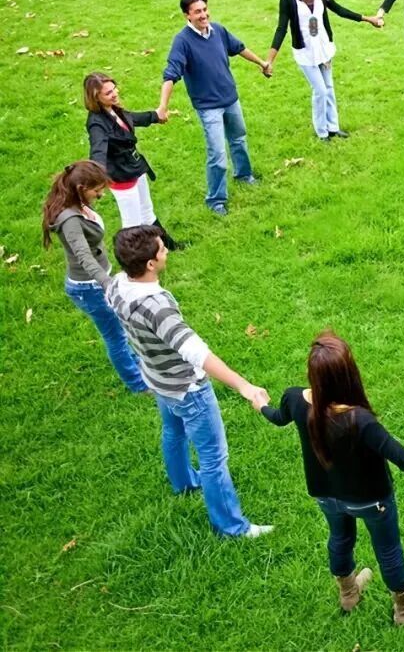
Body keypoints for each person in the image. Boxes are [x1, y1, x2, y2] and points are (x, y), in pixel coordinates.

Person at [261, 331, 404, 619]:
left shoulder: (294, 398)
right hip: (371, 501)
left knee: (339, 539)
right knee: (388, 550)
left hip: (326, 496)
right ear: (347, 375)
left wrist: (261, 403)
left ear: (313, 374)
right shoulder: (360, 420)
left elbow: (278, 417)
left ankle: (348, 594)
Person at [105, 224, 273, 538]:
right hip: (187, 389)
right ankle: (232, 527)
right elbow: (196, 352)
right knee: (213, 458)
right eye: (162, 249)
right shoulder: (157, 307)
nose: (166, 250)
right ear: (151, 264)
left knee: (173, 431)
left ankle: (183, 482)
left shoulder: (116, 284)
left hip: (157, 379)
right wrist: (244, 386)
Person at [159, 0, 272, 215]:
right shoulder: (182, 41)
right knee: (218, 154)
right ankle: (216, 200)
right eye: (197, 12)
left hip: (230, 99)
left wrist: (261, 63)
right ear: (187, 16)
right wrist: (163, 106)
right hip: (208, 107)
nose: (203, 15)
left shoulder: (218, 30)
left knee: (239, 139)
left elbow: (239, 48)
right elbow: (171, 73)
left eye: (205, 9)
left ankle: (244, 175)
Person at [42, 161, 147, 394]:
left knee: (120, 329)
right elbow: (84, 256)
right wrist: (107, 283)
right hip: (89, 288)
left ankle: (137, 365)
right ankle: (138, 384)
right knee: (116, 337)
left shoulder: (77, 203)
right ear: (81, 188)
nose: (101, 195)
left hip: (97, 282)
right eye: (97, 190)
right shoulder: (70, 221)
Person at [267, 0, 380, 141]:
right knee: (320, 91)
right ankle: (322, 132)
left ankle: (333, 127)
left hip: (323, 48)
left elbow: (339, 10)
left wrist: (368, 19)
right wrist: (270, 60)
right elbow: (281, 28)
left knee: (329, 87)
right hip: (305, 53)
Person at [83, 73, 181, 248]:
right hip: (121, 176)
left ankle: (168, 246)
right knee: (132, 226)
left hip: (135, 167)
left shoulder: (113, 109)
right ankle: (133, 260)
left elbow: (132, 118)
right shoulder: (96, 124)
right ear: (95, 97)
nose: (115, 93)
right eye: (108, 93)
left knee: (147, 212)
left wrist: (156, 116)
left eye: (114, 88)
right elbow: (98, 151)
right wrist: (95, 177)